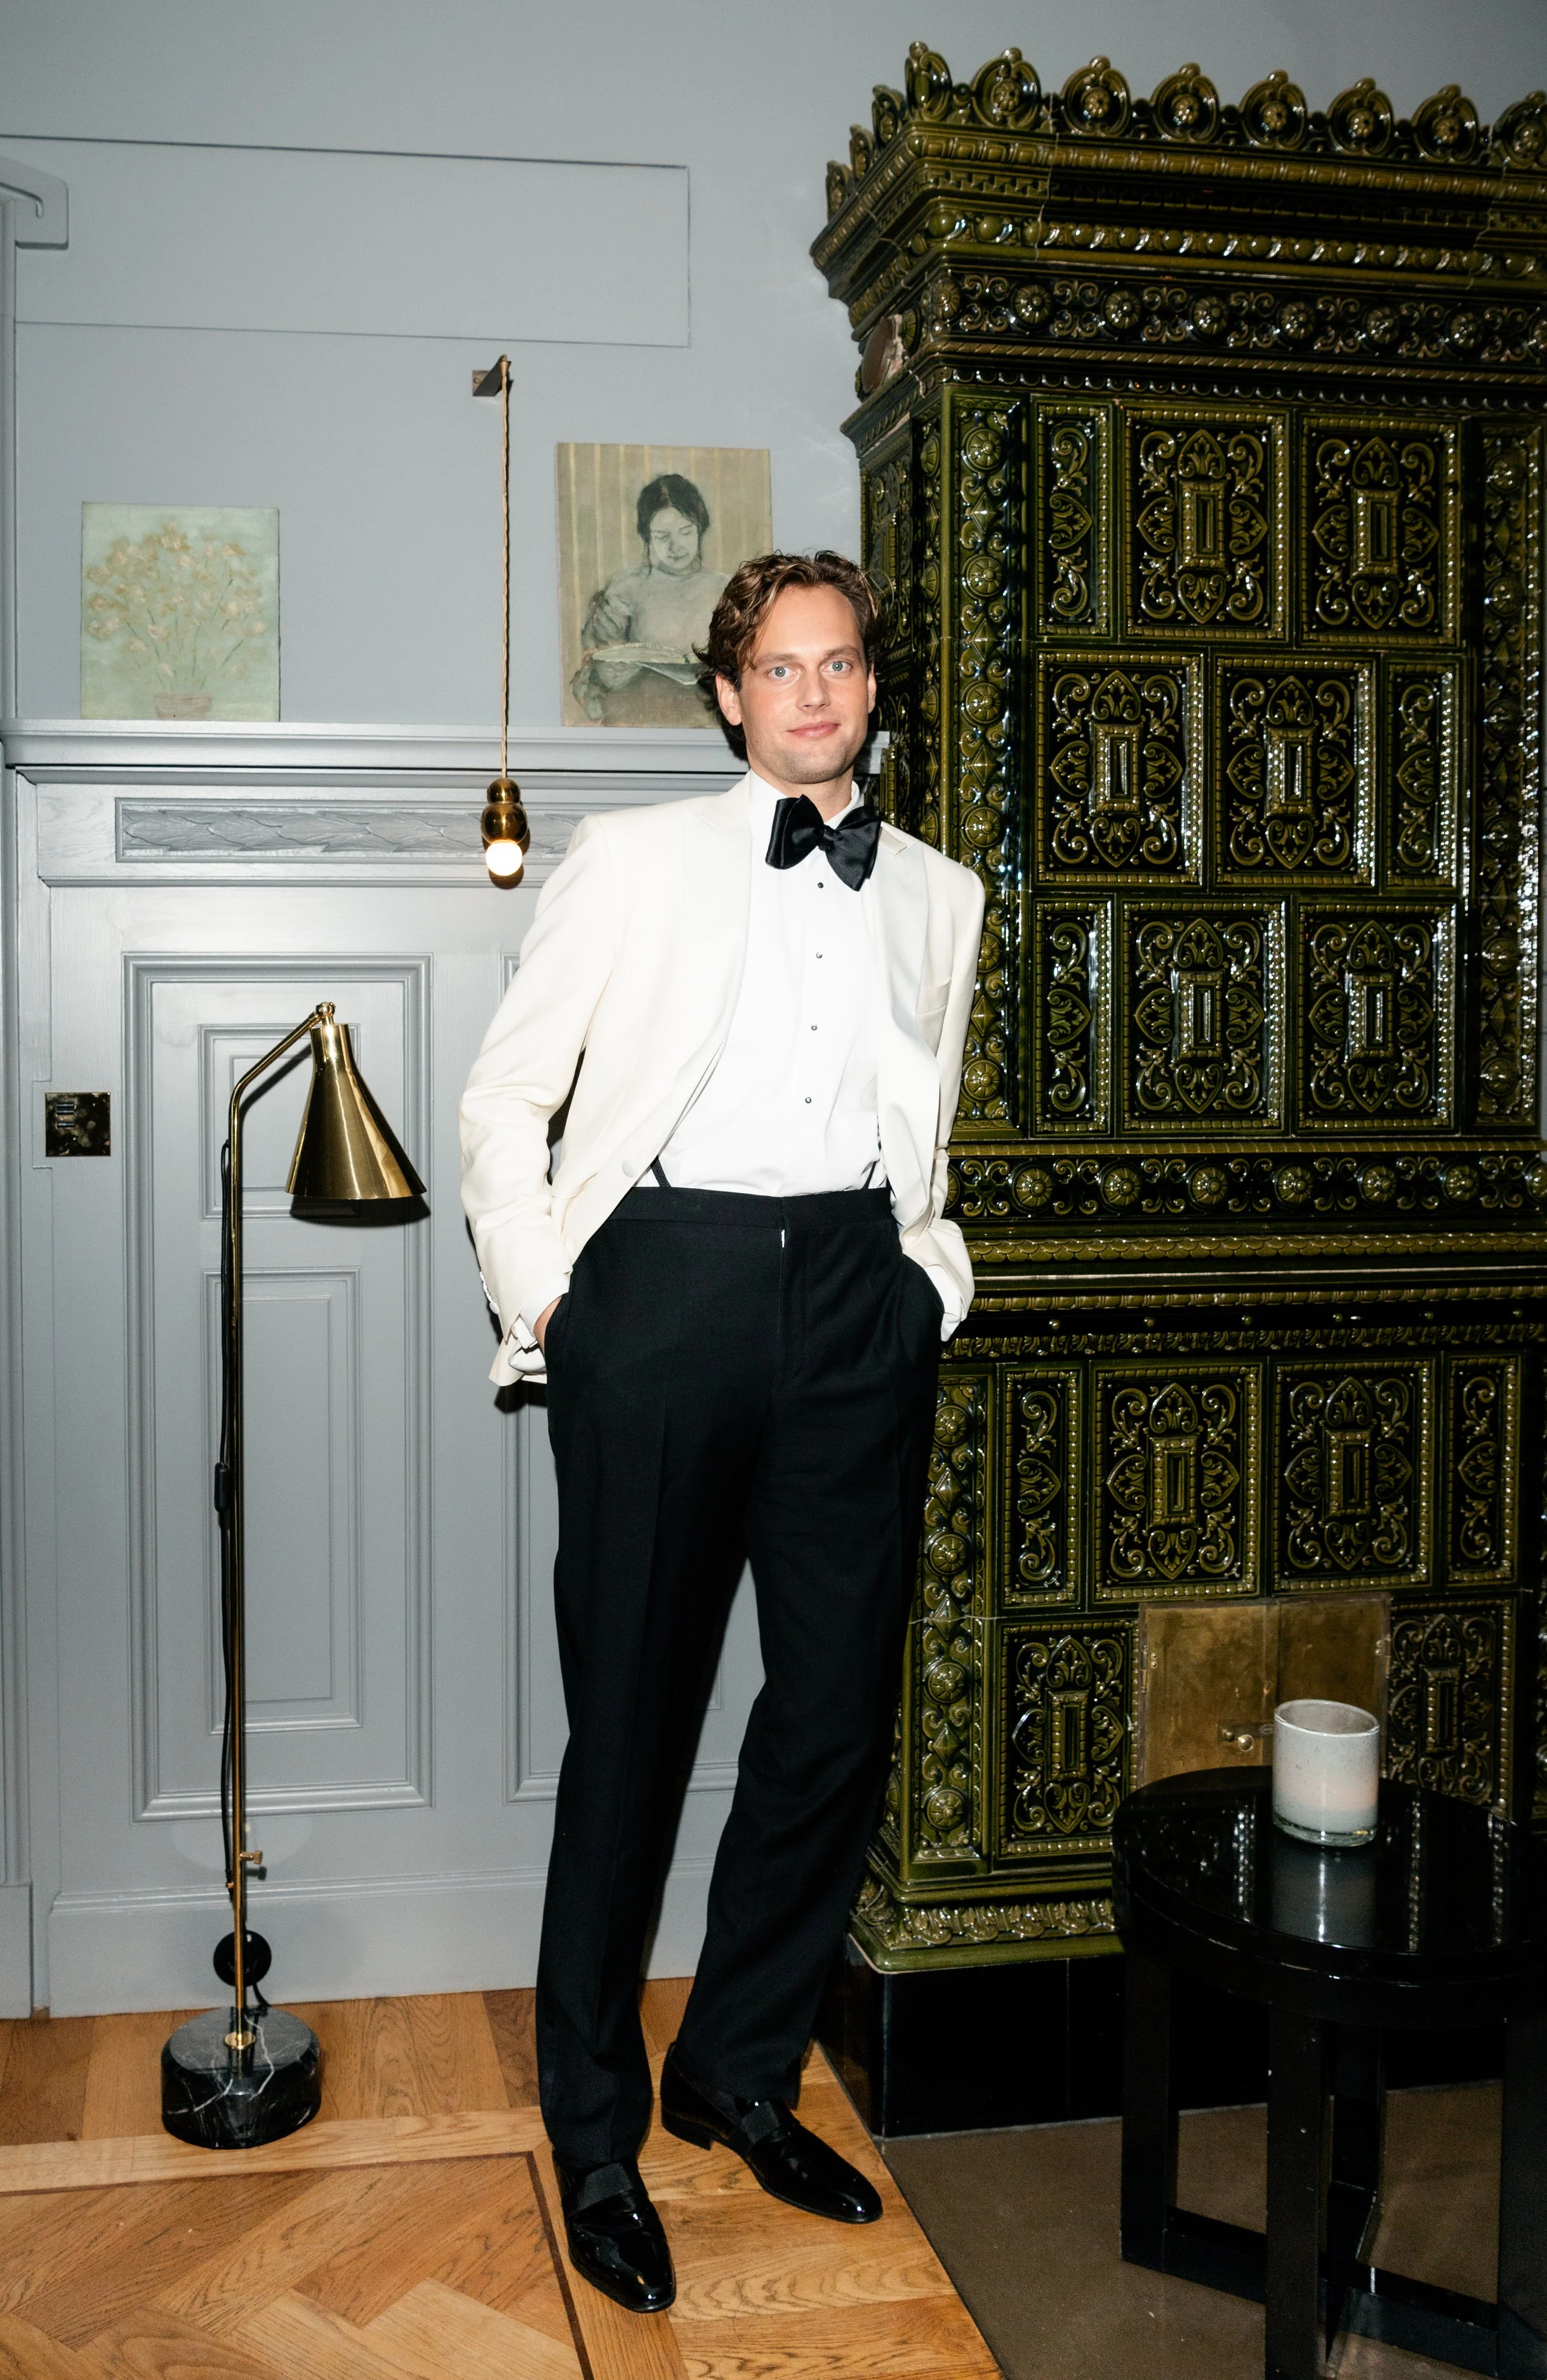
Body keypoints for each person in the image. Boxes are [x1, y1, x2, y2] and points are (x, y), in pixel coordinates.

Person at [460, 550, 983, 2313]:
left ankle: (737, 2071)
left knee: (830, 1713)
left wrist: (924, 1283)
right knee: (632, 1726)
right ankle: (597, 2129)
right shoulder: (635, 860)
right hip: (663, 1292)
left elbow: (927, 1126)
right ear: (727, 693)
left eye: (838, 664)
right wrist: (556, 1304)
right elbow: (504, 1096)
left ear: (865, 686)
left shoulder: (935, 890)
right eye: (780, 666)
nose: (812, 693)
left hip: (854, 1301)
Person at [570, 472, 729, 725]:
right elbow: (600, 663)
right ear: (647, 537)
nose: (675, 547)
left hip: (709, 719)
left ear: (700, 529)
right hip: (640, 714)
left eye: (685, 532)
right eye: (662, 537)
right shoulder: (626, 587)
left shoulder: (725, 588)